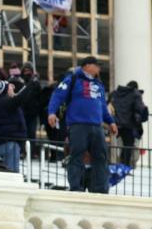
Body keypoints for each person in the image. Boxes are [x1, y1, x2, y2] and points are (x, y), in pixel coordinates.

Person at [47, 56, 118, 193]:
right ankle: (76, 187)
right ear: (87, 66)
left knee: (101, 158)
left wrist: (111, 122)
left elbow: (102, 107)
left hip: (97, 127)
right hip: (78, 125)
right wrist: (51, 112)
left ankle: (101, 189)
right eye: (96, 65)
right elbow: (57, 95)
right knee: (76, 156)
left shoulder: (99, 85)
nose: (99, 68)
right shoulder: (72, 79)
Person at [0, 74, 35, 173]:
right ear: (5, 90)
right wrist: (31, 84)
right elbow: (20, 98)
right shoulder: (5, 102)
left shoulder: (0, 103)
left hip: (8, 143)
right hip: (9, 143)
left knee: (10, 172)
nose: (13, 89)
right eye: (10, 87)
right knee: (12, 173)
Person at [111, 80, 148, 166]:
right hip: (131, 125)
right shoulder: (135, 94)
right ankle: (126, 167)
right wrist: (144, 110)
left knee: (122, 147)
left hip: (118, 124)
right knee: (129, 147)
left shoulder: (117, 93)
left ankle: (121, 165)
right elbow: (140, 109)